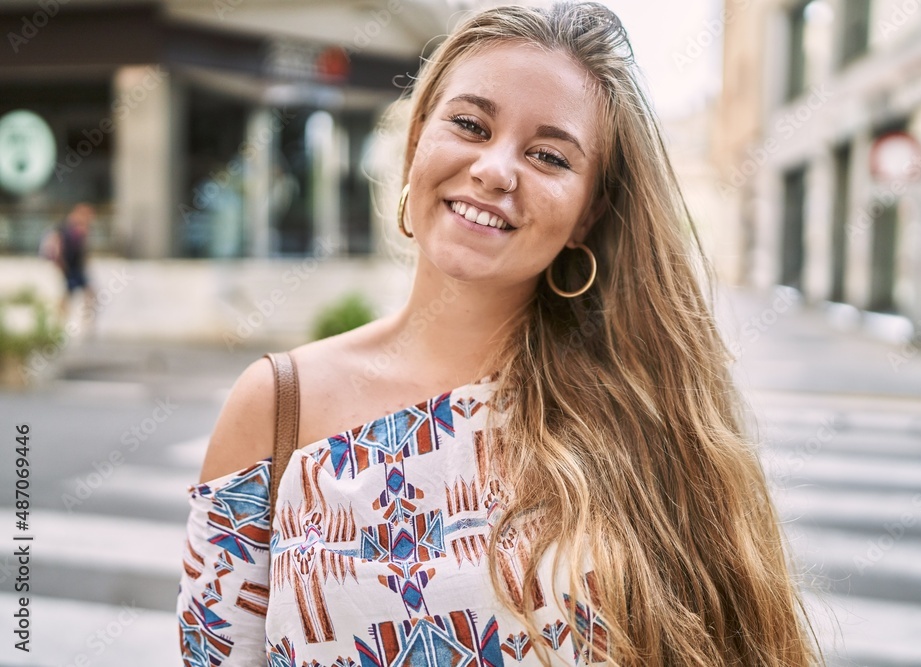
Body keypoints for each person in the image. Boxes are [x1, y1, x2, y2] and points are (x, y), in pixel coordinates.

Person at [178, 3, 818, 665]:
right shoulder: (278, 405)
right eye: (470, 124)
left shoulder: (646, 418)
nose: (495, 169)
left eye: (548, 155)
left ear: (587, 211)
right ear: (417, 141)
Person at [46, 202, 96, 322]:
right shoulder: (66, 229)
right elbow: (59, 247)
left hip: (74, 266)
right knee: (69, 293)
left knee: (78, 293)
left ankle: (75, 318)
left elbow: (82, 251)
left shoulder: (76, 229)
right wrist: (60, 262)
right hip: (69, 266)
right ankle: (61, 319)